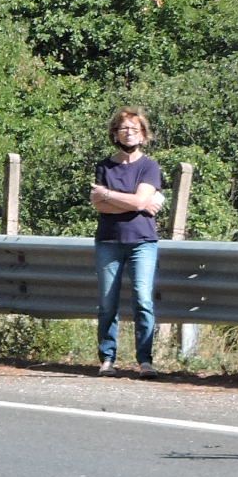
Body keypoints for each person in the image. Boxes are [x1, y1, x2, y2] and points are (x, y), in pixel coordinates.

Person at [90, 106, 167, 375]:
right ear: (115, 134)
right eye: (124, 128)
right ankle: (107, 359)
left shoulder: (150, 166)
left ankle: (145, 361)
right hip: (108, 242)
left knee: (143, 299)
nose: (130, 133)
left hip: (142, 242)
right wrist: (136, 204)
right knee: (107, 302)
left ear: (143, 135)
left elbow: (137, 199)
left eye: (135, 129)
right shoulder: (104, 166)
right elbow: (100, 206)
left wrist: (109, 195)